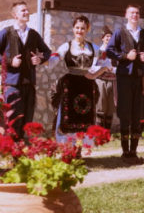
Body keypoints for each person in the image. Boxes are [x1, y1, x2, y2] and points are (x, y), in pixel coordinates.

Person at [0, 1, 52, 138]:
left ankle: (21, 151)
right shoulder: (6, 33)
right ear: (15, 15)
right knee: (13, 119)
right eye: (23, 11)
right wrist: (10, 61)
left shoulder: (33, 34)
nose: (27, 12)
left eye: (27, 10)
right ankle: (10, 151)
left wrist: (40, 60)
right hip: (12, 84)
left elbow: (47, 52)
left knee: (27, 119)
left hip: (29, 84)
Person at [47, 15, 110, 145]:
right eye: (77, 28)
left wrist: (94, 75)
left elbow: (107, 64)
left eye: (82, 28)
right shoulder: (66, 46)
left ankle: (81, 147)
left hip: (87, 85)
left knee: (85, 115)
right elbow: (53, 60)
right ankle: (69, 146)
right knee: (69, 116)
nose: (79, 31)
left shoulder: (94, 48)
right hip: (70, 86)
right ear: (73, 29)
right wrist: (43, 60)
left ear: (87, 29)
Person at [106, 5, 144, 164]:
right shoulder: (119, 32)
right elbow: (109, 51)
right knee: (124, 113)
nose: (135, 15)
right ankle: (125, 151)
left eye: (137, 13)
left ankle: (134, 151)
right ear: (126, 15)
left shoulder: (143, 33)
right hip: (124, 77)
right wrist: (126, 56)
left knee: (137, 113)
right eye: (132, 13)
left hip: (140, 77)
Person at [95, 25, 117, 130]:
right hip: (101, 80)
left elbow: (119, 66)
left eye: (110, 36)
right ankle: (99, 133)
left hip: (113, 81)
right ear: (102, 38)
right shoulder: (98, 51)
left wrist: (113, 69)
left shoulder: (115, 53)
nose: (108, 38)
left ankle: (107, 133)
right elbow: (94, 66)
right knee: (101, 107)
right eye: (107, 36)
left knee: (110, 108)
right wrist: (103, 68)